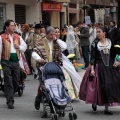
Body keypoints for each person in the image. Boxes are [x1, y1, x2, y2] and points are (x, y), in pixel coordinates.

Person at [79, 26, 120, 115]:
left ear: (104, 33)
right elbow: (93, 58)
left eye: (99, 32)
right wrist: (92, 70)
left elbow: (114, 54)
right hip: (99, 66)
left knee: (109, 86)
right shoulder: (94, 44)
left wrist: (117, 62)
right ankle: (94, 102)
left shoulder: (110, 42)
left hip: (109, 67)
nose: (97, 34)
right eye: (97, 32)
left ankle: (107, 108)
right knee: (98, 86)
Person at [32, 26, 67, 110]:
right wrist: (39, 59)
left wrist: (57, 39)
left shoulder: (56, 42)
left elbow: (64, 47)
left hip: (55, 66)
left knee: (57, 82)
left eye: (54, 34)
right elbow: (34, 52)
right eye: (51, 35)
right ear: (46, 34)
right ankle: (39, 97)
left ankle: (57, 99)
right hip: (44, 66)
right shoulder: (40, 42)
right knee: (44, 83)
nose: (53, 36)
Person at [0, 20, 27, 109]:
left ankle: (10, 93)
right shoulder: (1, 37)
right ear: (7, 27)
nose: (13, 27)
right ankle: (10, 101)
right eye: (11, 26)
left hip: (16, 62)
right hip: (6, 62)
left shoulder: (18, 37)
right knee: (8, 81)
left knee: (16, 80)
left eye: (14, 25)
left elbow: (25, 47)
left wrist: (19, 47)